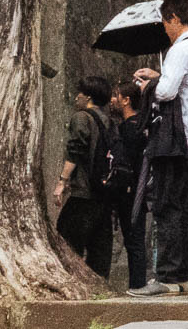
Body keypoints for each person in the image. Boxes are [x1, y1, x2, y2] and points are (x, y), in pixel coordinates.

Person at [131, 0, 188, 296]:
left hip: (173, 140)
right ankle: (186, 276)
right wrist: (162, 75)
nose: (165, 29)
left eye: (165, 23)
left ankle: (167, 277)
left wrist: (151, 84)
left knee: (167, 207)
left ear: (175, 20)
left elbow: (167, 92)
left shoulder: (180, 49)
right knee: (184, 209)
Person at [54, 76, 114, 279]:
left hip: (84, 190)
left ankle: (72, 281)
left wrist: (62, 181)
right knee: (99, 247)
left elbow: (75, 150)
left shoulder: (81, 117)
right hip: (104, 192)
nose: (76, 97)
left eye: (79, 93)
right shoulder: (108, 121)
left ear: (87, 96)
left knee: (66, 238)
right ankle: (98, 284)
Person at [107, 80, 153, 295]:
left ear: (126, 100)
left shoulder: (130, 129)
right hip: (136, 191)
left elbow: (127, 162)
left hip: (131, 192)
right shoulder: (139, 126)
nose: (112, 100)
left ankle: (137, 285)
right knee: (134, 241)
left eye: (116, 96)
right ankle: (137, 284)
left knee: (134, 241)